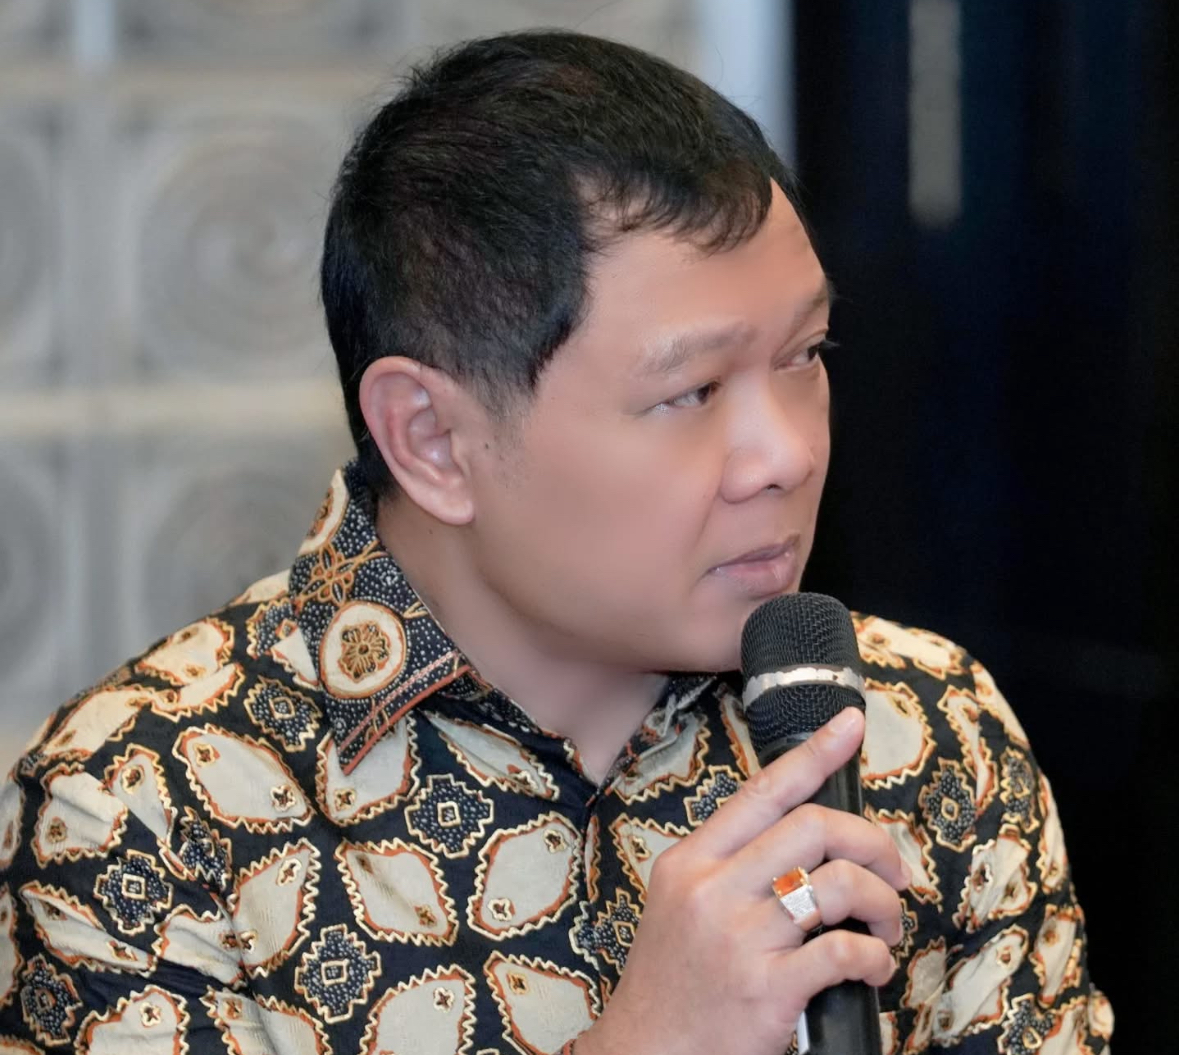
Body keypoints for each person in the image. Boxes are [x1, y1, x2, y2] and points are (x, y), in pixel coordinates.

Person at [0, 30, 1110, 1055]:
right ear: (433, 439)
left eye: (805, 355)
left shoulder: (921, 728)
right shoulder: (144, 805)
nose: (786, 453)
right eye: (692, 391)